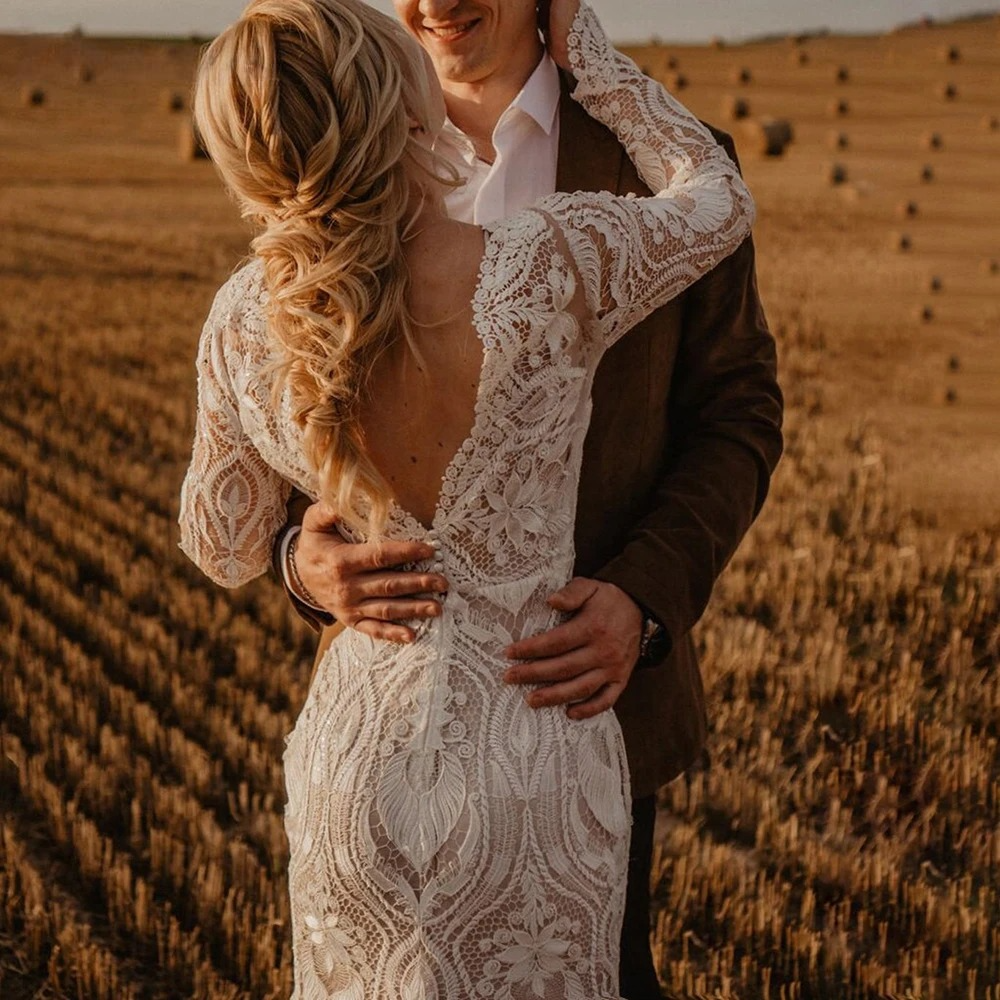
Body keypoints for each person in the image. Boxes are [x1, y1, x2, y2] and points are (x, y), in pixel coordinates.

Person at [178, 0, 759, 996]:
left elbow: (738, 411)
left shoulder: (244, 304)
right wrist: (302, 562)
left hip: (529, 712)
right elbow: (266, 535)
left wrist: (642, 596)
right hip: (515, 748)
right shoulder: (560, 253)